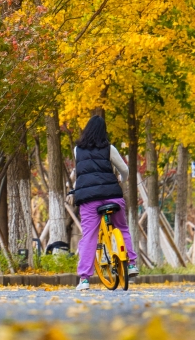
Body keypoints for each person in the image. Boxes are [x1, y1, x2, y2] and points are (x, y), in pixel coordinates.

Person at [71, 115, 136, 291]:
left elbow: (81, 172)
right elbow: (124, 169)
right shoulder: (109, 148)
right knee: (122, 228)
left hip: (89, 198)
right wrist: (122, 180)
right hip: (112, 194)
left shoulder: (78, 150)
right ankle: (131, 264)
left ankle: (84, 279)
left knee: (89, 236)